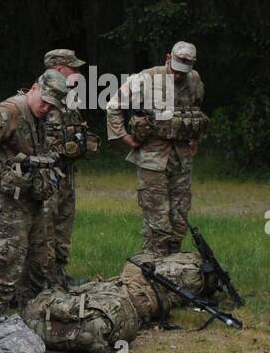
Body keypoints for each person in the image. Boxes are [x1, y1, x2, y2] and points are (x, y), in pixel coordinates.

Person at [0, 69, 69, 320]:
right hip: (7, 203)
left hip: (33, 199)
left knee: (39, 262)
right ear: (34, 88)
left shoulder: (40, 117)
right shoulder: (11, 111)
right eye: (44, 101)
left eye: (52, 105)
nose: (46, 108)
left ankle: (30, 317)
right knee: (5, 264)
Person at [105, 41, 205, 255]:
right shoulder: (146, 78)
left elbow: (195, 111)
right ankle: (152, 267)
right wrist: (124, 136)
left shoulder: (194, 80)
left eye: (183, 72)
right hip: (153, 159)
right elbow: (113, 106)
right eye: (176, 70)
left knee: (180, 219)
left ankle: (174, 268)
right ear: (168, 58)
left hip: (181, 159)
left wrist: (194, 139)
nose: (179, 76)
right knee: (158, 220)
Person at [41, 49, 98, 285]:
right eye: (72, 68)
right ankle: (43, 278)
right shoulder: (41, 100)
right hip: (47, 176)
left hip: (67, 175)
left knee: (64, 225)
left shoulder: (69, 100)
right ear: (58, 69)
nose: (76, 73)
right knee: (46, 227)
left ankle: (59, 274)